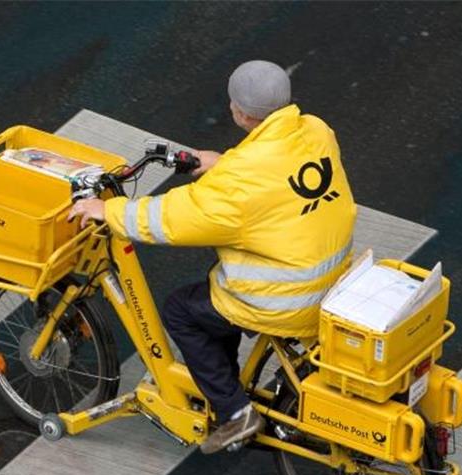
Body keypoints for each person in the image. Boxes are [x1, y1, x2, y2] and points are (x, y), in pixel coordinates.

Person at [69, 60, 356, 453]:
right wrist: (223, 163)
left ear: (240, 112)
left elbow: (176, 218)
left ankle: (235, 412)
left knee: (181, 311)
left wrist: (109, 211)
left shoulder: (239, 180)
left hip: (286, 297)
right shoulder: (316, 130)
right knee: (215, 292)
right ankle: (225, 384)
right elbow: (274, 173)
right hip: (335, 276)